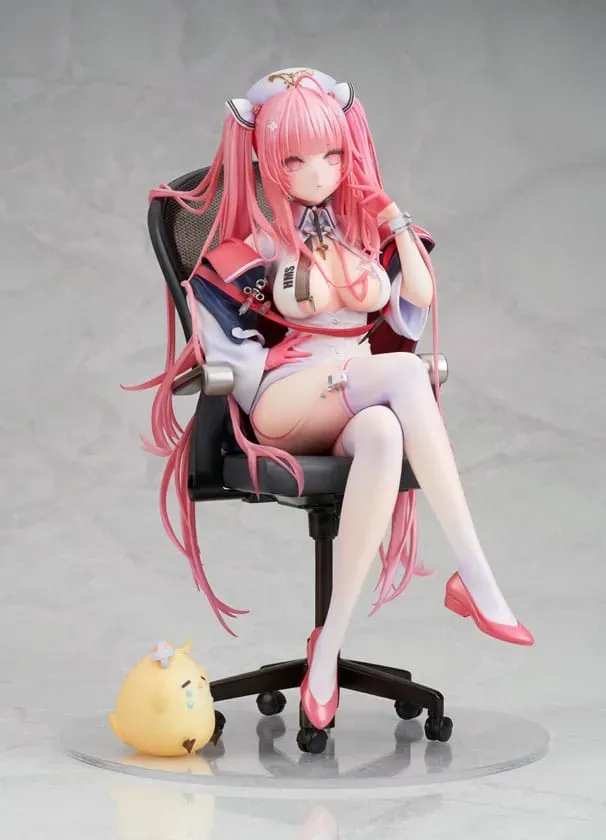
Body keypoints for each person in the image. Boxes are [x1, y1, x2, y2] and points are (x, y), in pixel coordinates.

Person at [129, 67, 533, 732]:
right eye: (294, 159)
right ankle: (476, 576)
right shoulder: (247, 251)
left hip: (354, 393)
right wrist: (315, 362)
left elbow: (418, 299)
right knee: (404, 376)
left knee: (384, 431)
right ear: (265, 160)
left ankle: (328, 649)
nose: (318, 172)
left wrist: (392, 217)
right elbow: (229, 356)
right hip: (284, 399)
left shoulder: (360, 234)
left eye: (332, 155)